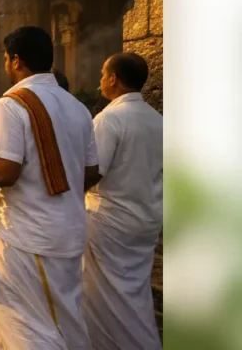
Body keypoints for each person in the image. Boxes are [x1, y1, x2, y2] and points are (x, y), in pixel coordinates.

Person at [0, 26, 98, 350]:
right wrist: (57, 194)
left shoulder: (11, 104)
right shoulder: (77, 107)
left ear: (14, 60)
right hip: (68, 230)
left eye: (6, 59)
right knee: (63, 319)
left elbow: (3, 171)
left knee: (29, 325)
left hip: (30, 237)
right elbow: (92, 172)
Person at [82, 53, 163, 350]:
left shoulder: (109, 119)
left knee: (105, 298)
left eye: (104, 74)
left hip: (110, 220)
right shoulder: (158, 120)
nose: (101, 79)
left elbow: (93, 173)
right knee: (133, 294)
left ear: (113, 78)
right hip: (146, 218)